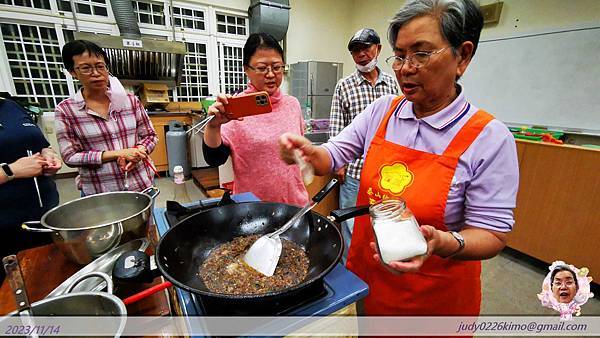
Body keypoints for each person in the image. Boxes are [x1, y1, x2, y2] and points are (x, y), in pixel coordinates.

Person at [279, 0, 519, 318]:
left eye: (421, 53)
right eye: (400, 55)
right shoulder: (383, 111)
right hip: (369, 280)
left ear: (462, 56)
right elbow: (332, 156)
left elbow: (492, 233)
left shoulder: (489, 138)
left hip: (434, 298)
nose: (405, 68)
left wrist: (444, 242)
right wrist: (309, 152)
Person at [202, 33, 309, 206]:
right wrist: (213, 127)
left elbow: (298, 152)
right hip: (254, 210)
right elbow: (215, 159)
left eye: (277, 67)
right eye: (262, 68)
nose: (271, 74)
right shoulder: (235, 107)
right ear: (247, 69)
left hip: (295, 205)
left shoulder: (292, 105)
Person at [330, 28, 398, 263]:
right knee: (350, 223)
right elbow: (337, 126)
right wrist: (338, 164)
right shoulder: (344, 85)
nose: (361, 54)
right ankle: (353, 267)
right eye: (355, 51)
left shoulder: (392, 83)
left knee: (381, 222)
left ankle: (380, 263)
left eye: (366, 48)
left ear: (378, 49)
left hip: (386, 172)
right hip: (355, 171)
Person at [55, 40, 158, 195]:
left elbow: (150, 136)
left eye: (100, 66)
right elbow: (70, 156)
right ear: (72, 72)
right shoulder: (66, 110)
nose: (96, 73)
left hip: (141, 184)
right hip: (100, 192)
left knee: (146, 220)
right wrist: (118, 154)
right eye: (86, 68)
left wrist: (138, 151)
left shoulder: (129, 101)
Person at [0, 96, 61, 280]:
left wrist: (49, 156)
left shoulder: (10, 106)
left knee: (49, 277)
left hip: (43, 217)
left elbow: (42, 145)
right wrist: (11, 171)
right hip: (5, 229)